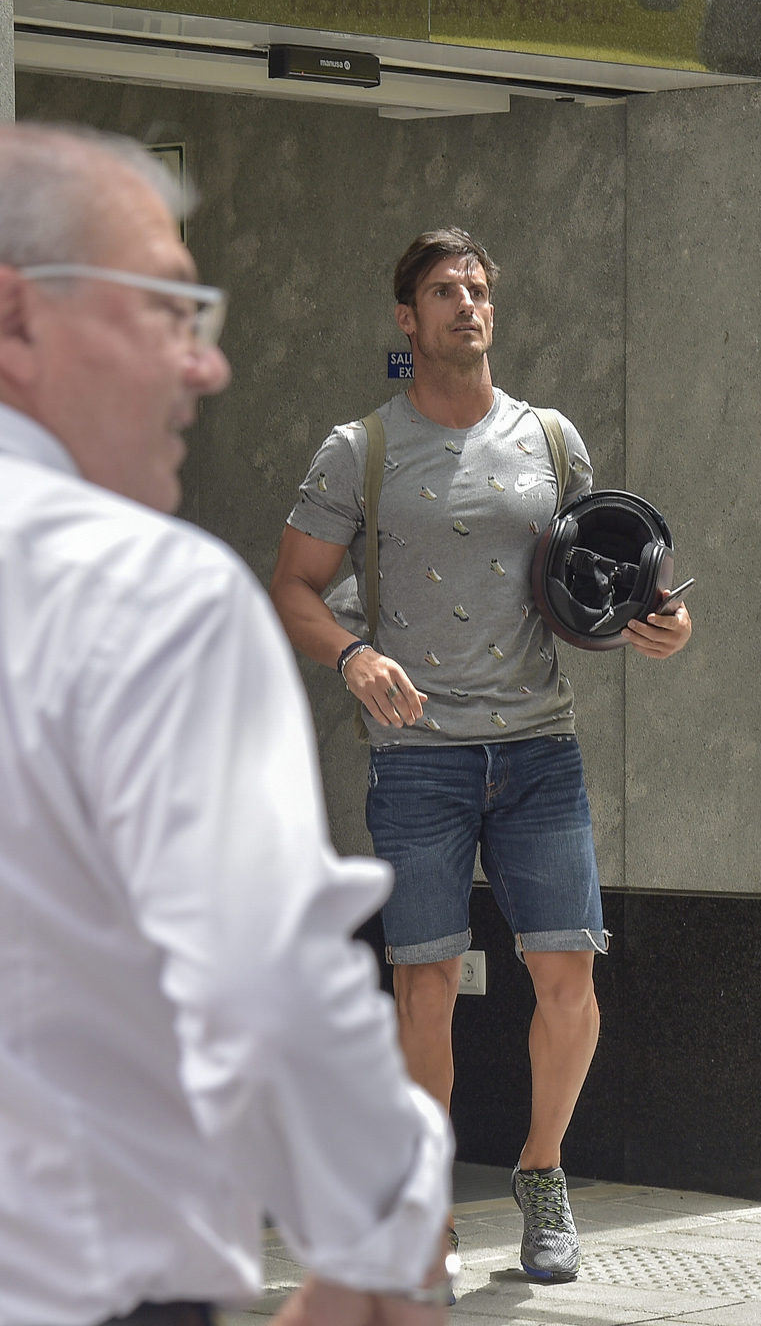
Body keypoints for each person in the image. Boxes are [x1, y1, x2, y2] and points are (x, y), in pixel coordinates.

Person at [0, 125, 455, 1326]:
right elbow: (264, 979)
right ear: (15, 319)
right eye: (166, 307)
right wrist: (380, 1233)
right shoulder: (141, 590)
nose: (205, 367)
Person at [270, 227, 692, 1283]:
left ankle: (541, 1174)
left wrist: (658, 623)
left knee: (567, 971)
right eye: (442, 291)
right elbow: (291, 587)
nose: (466, 302)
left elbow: (604, 582)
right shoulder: (356, 449)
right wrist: (355, 654)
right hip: (416, 754)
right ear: (405, 319)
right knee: (421, 985)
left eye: (477, 287)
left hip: (538, 747)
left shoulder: (550, 441)